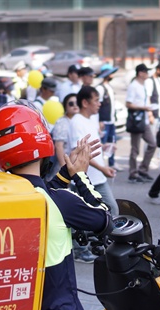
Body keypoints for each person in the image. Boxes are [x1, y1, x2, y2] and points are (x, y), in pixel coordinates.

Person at [0, 102, 112, 310]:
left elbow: (43, 192)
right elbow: (104, 217)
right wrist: (81, 175)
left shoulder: (1, 195)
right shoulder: (59, 201)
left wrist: (67, 173)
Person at [71, 86, 118, 215]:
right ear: (85, 103)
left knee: (110, 211)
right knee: (108, 211)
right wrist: (102, 168)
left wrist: (105, 147)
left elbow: (91, 146)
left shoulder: (90, 119)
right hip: (87, 180)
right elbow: (80, 152)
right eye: (96, 100)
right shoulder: (77, 122)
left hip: (97, 177)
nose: (99, 103)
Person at [126, 63, 157, 183]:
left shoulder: (143, 85)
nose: (147, 74)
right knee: (135, 148)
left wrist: (148, 112)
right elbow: (128, 104)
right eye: (146, 72)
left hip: (144, 120)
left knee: (152, 144)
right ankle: (133, 173)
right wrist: (144, 108)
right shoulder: (133, 86)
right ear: (140, 73)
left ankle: (143, 169)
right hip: (136, 121)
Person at [95, 64, 119, 169]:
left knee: (112, 142)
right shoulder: (100, 88)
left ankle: (112, 162)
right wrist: (99, 120)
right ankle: (101, 163)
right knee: (102, 143)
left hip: (111, 120)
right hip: (104, 121)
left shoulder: (109, 87)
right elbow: (98, 105)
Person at [52, 93, 79, 173]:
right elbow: (59, 146)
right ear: (65, 106)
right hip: (66, 166)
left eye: (77, 103)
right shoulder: (62, 122)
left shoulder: (80, 120)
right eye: (71, 104)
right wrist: (65, 168)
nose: (75, 105)